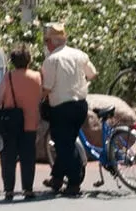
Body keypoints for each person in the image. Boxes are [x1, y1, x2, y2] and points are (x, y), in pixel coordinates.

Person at [41, 22, 97, 196]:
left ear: (51, 42)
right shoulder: (79, 54)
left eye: (46, 41)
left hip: (61, 108)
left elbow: (47, 87)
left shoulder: (51, 60)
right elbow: (92, 74)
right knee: (67, 142)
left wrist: (38, 99)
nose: (46, 44)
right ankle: (57, 178)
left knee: (63, 145)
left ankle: (74, 181)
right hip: (80, 105)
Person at [0, 44, 42, 201]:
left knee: (8, 158)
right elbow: (41, 96)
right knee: (28, 158)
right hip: (30, 123)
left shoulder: (8, 77)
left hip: (10, 124)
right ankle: (28, 189)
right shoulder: (37, 76)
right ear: (29, 60)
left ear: (12, 61)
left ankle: (9, 190)